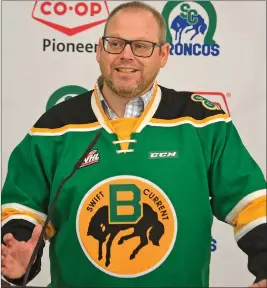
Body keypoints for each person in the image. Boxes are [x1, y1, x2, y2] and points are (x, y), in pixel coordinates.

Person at [1, 1, 266, 287]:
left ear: (163, 54)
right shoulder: (54, 128)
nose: (126, 55)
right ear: (99, 50)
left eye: (141, 46)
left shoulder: (203, 123)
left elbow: (250, 203)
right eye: (115, 43)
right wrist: (18, 259)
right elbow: (22, 208)